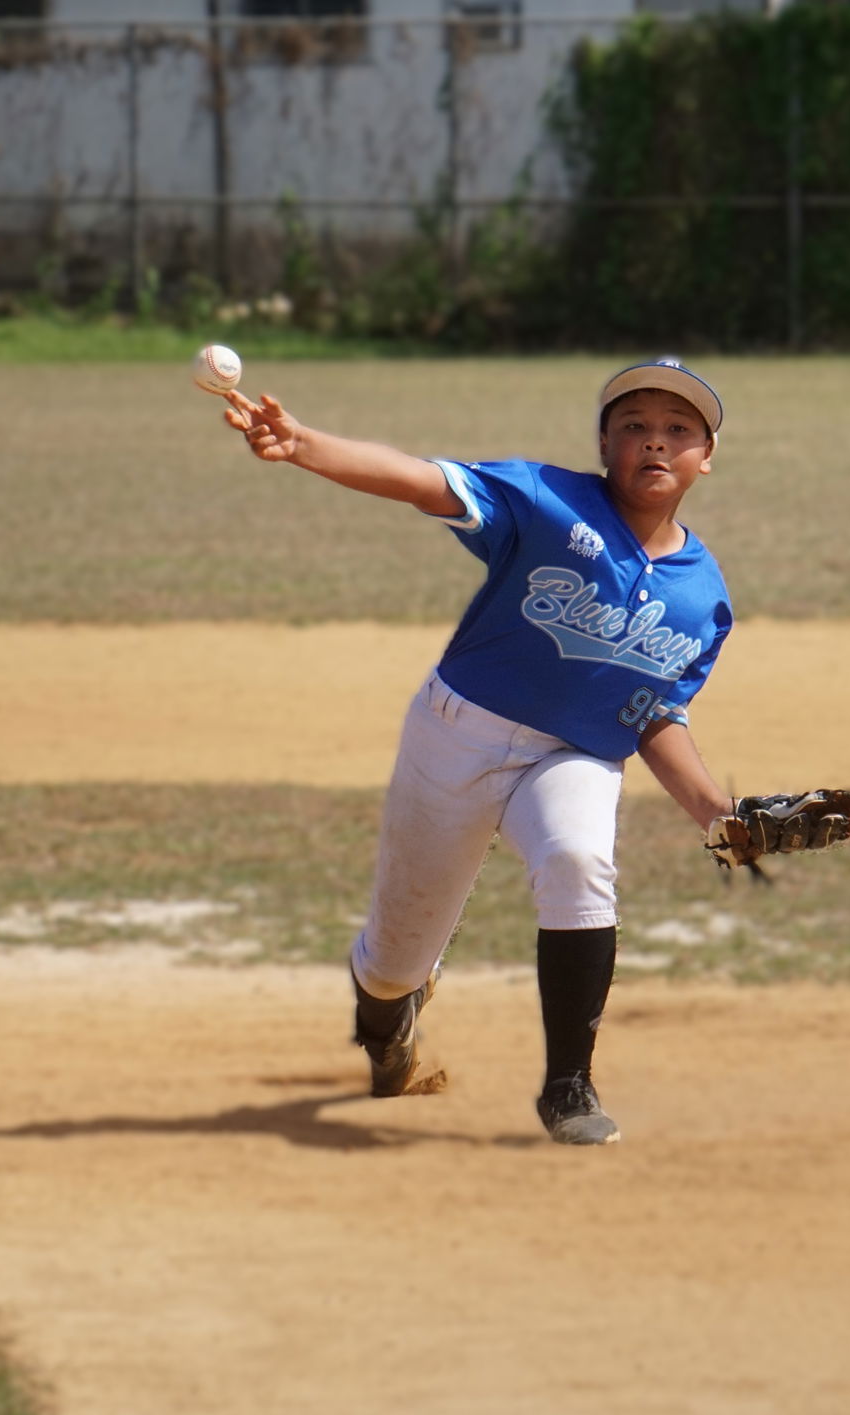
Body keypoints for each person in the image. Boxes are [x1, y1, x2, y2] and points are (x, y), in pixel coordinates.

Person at [223, 358, 740, 1146]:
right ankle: (389, 1019)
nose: (655, 444)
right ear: (604, 442)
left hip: (575, 754)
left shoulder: (703, 596)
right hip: (458, 732)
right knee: (396, 958)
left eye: (679, 430)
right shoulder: (543, 498)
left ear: (708, 455)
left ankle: (568, 1085)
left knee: (576, 862)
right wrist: (303, 445)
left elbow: (652, 713)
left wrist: (718, 812)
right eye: (634, 425)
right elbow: (420, 480)